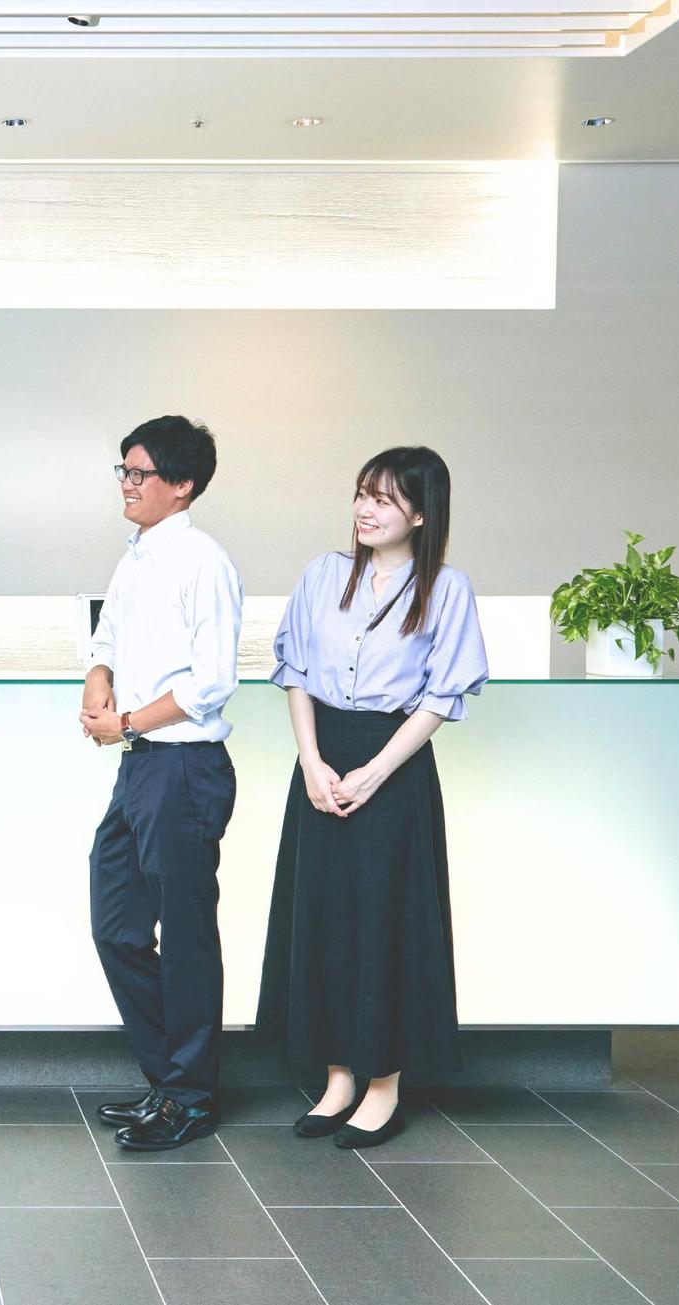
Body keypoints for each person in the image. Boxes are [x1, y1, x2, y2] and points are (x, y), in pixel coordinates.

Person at [258, 446, 488, 1149]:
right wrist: (311, 762)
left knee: (386, 921)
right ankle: (336, 1076)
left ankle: (383, 1083)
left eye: (384, 499)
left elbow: (440, 697)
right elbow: (295, 670)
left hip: (394, 767)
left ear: (420, 513)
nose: (365, 509)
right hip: (321, 759)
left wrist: (375, 772)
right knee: (323, 915)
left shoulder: (446, 589)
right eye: (362, 494)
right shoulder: (323, 574)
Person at [79, 415, 244, 1153]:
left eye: (139, 472)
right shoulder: (136, 556)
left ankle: (190, 1097)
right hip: (141, 766)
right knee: (116, 924)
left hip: (182, 766)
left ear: (182, 485)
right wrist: (98, 679)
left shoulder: (204, 562)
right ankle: (168, 1080)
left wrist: (126, 722)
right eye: (123, 469)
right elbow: (109, 637)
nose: (126, 483)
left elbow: (212, 682)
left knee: (184, 937)